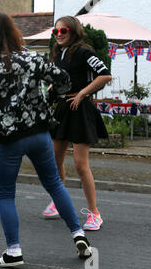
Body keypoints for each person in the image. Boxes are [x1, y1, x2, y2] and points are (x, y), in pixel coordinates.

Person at [0, 12, 93, 267]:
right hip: (39, 133)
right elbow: (63, 79)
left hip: (9, 138)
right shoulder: (31, 58)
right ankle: (78, 234)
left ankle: (14, 251)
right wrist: (52, 100)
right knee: (54, 184)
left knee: (5, 194)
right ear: (14, 33)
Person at [42, 16, 112, 231]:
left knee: (81, 165)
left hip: (80, 109)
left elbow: (105, 75)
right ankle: (59, 201)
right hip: (63, 108)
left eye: (64, 31)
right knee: (54, 161)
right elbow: (58, 81)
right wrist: (51, 91)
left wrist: (82, 94)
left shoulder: (84, 52)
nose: (59, 35)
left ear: (74, 31)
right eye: (56, 32)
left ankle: (94, 214)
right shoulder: (58, 54)